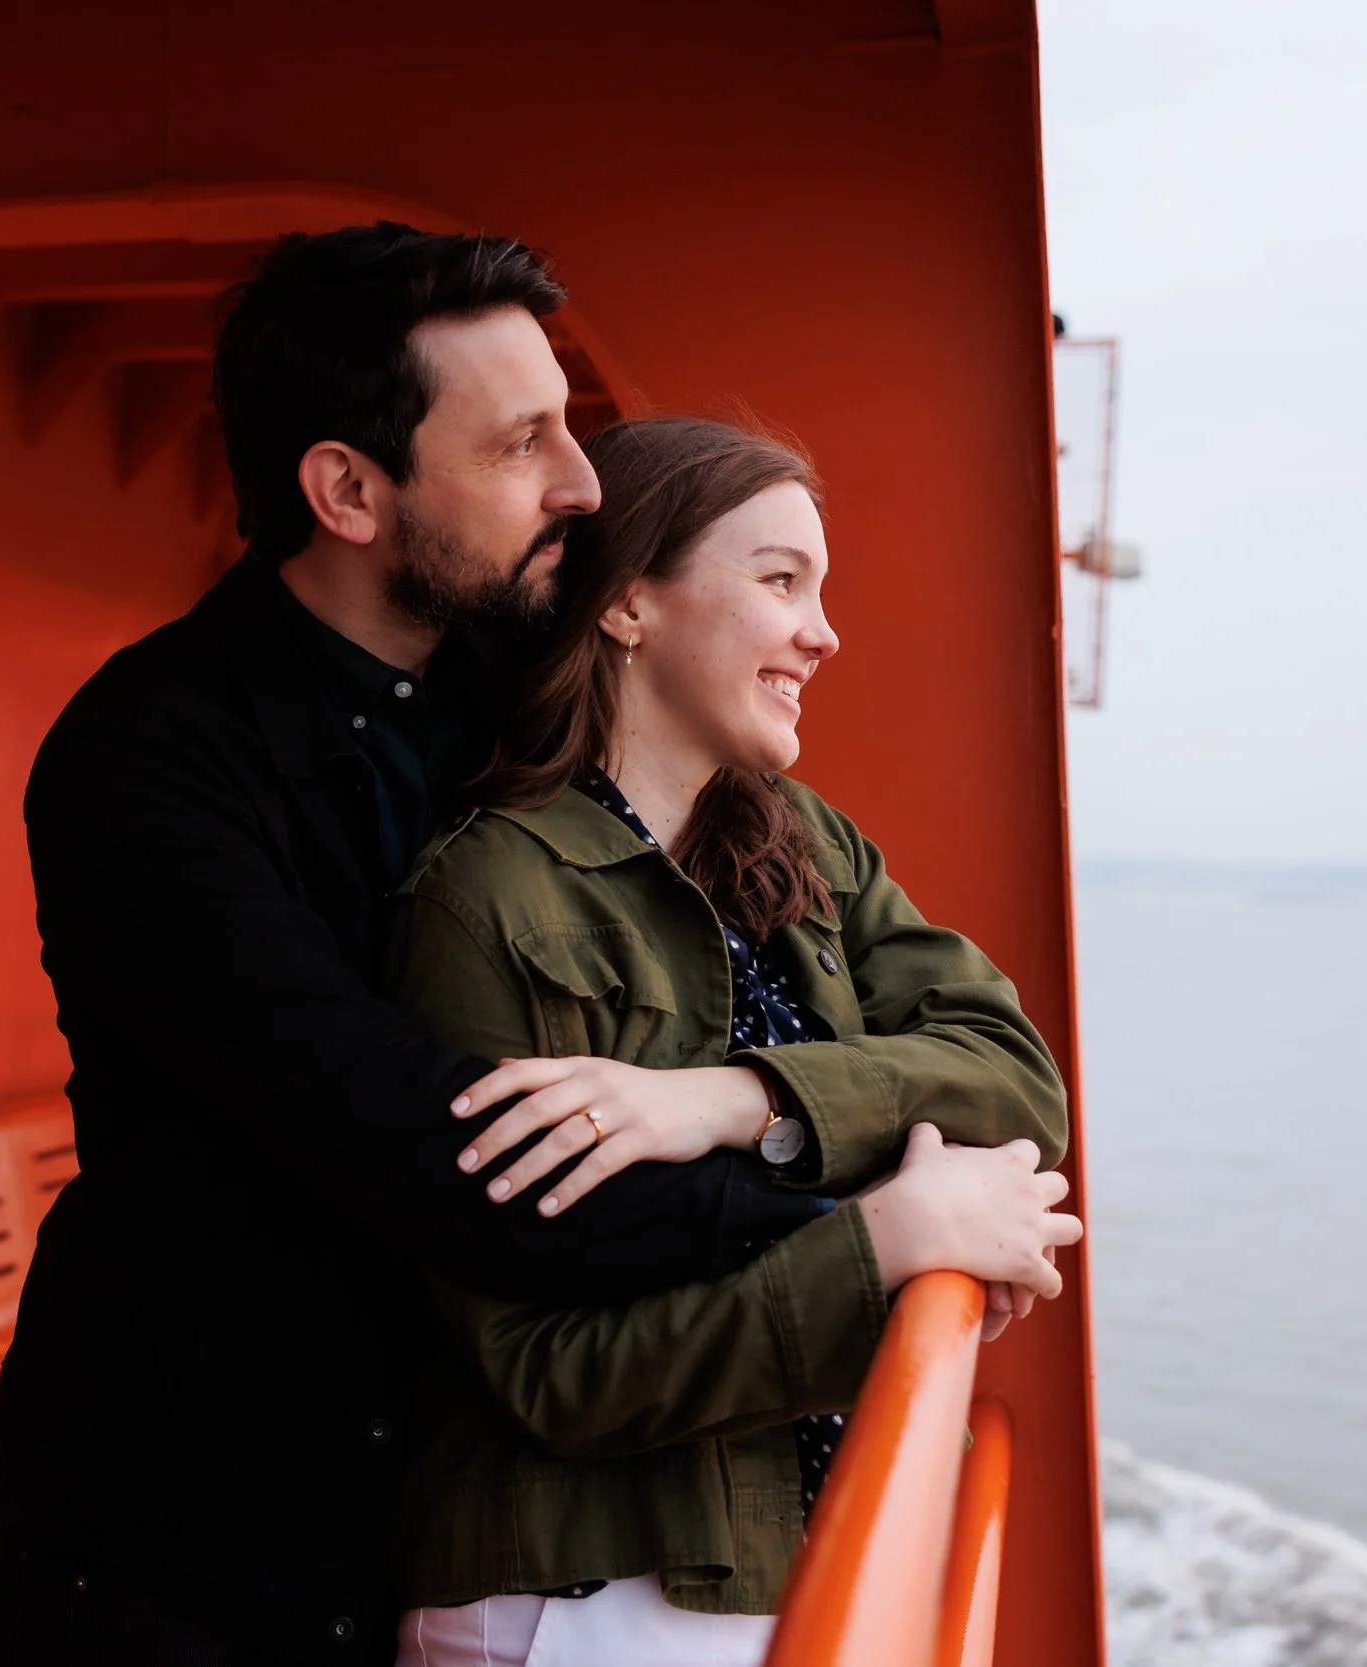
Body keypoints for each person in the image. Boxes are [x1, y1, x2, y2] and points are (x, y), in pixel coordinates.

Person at [0, 224, 1063, 1666]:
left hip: (465, 1479)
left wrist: (743, 1102)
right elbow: (446, 1147)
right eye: (523, 444)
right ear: (349, 491)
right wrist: (859, 1224)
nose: (584, 482)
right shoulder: (151, 763)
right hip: (206, 1511)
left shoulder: (528, 695)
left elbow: (983, 1056)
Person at [382, 415, 1081, 1666]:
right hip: (589, 1597)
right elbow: (553, 1372)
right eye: (779, 581)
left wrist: (734, 1100)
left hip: (797, 1551)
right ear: (630, 603)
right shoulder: (488, 898)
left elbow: (1017, 1086)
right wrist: (886, 1242)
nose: (823, 631)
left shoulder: (801, 840)